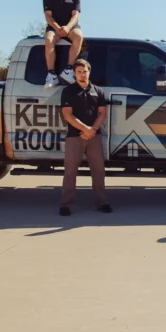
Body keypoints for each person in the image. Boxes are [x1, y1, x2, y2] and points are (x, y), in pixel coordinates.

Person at [59, 58, 111, 216]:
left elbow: (102, 113)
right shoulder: (68, 91)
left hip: (94, 136)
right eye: (79, 72)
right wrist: (85, 129)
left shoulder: (98, 91)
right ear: (74, 74)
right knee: (70, 171)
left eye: (85, 71)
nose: (82, 75)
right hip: (75, 136)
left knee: (98, 170)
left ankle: (102, 202)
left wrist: (93, 129)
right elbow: (68, 115)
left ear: (89, 72)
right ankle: (66, 204)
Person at [43, 0, 83, 88]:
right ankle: (51, 75)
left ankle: (69, 70)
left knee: (78, 36)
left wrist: (67, 27)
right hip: (54, 27)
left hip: (70, 26)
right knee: (49, 40)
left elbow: (75, 15)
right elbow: (48, 16)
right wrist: (57, 28)